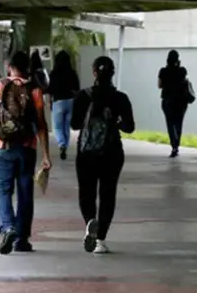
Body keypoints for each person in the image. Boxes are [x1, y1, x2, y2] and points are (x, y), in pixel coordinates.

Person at [0, 51, 51, 255]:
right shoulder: (34, 90)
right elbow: (41, 125)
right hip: (27, 148)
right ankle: (22, 239)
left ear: (9, 67)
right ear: (27, 68)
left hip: (2, 147)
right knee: (25, 193)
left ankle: (8, 227)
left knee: (3, 191)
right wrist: (46, 156)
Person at [71, 56, 135, 254]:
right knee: (108, 195)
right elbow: (130, 127)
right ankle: (101, 239)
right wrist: (114, 121)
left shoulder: (83, 96)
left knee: (86, 193)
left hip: (86, 153)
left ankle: (90, 222)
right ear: (112, 73)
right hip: (112, 153)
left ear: (94, 73)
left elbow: (74, 124)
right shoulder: (120, 98)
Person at [157, 50, 194, 158]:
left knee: (170, 123)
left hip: (168, 101)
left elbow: (159, 85)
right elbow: (184, 82)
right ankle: (176, 145)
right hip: (181, 102)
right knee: (178, 123)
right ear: (178, 59)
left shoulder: (163, 71)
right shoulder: (182, 70)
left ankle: (173, 146)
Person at [48, 50, 80, 160]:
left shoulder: (53, 73)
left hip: (58, 102)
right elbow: (77, 88)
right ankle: (65, 145)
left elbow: (50, 89)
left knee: (57, 127)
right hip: (70, 101)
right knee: (66, 126)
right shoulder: (72, 73)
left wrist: (50, 102)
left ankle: (61, 144)